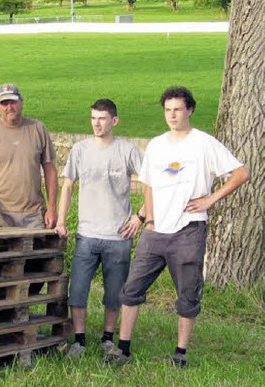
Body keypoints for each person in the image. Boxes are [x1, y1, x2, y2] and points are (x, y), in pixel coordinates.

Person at [104, 86, 250, 367]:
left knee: (187, 294)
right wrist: (149, 219)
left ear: (190, 110)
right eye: (168, 110)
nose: (172, 115)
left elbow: (241, 173)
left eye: (178, 109)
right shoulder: (157, 144)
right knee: (131, 289)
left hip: (188, 231)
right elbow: (149, 185)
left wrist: (210, 199)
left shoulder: (204, 143)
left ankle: (180, 353)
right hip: (156, 232)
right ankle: (123, 349)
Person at [56, 99, 144, 360]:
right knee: (78, 290)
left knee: (115, 292)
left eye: (102, 118)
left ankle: (107, 337)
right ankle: (80, 340)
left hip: (119, 236)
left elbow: (152, 183)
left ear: (114, 121)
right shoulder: (80, 150)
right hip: (87, 234)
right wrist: (61, 221)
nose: (97, 123)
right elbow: (68, 186)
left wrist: (140, 217)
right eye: (93, 118)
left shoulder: (127, 151)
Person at [0, 83, 58, 229]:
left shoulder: (37, 128)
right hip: (0, 215)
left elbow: (50, 170)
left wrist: (52, 207)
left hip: (34, 214)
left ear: (21, 102)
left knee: (38, 252)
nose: (9, 107)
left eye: (13, 102)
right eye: (4, 103)